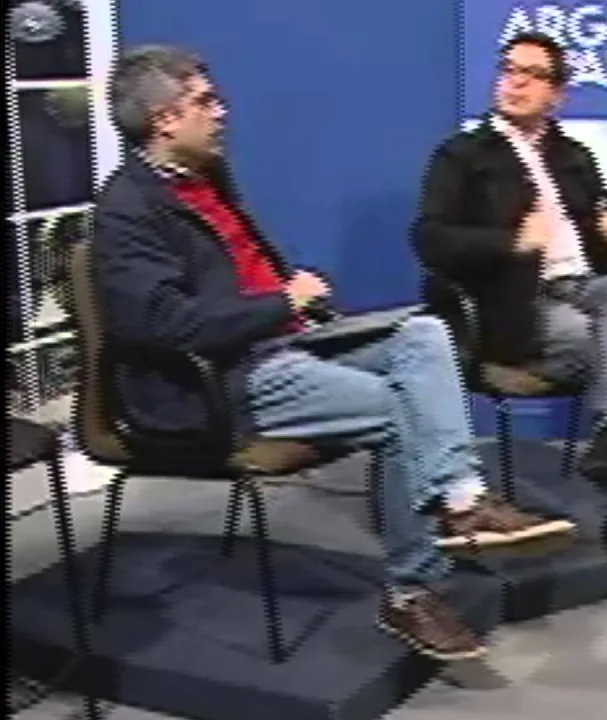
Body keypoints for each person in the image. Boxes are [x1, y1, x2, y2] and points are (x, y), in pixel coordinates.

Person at [93, 45, 576, 660]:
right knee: (401, 408)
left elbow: (237, 274)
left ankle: (461, 497)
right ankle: (411, 593)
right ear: (165, 120)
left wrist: (291, 302)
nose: (222, 112)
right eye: (205, 102)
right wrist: (281, 302)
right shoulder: (126, 211)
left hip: (281, 339)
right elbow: (163, 326)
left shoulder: (206, 176)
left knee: (425, 333)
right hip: (218, 378)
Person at [409, 32, 607, 579]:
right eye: (509, 69)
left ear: (558, 94)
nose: (516, 82)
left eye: (533, 74)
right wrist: (511, 243)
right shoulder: (464, 155)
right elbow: (430, 240)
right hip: (512, 305)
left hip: (584, 289)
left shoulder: (573, 158)